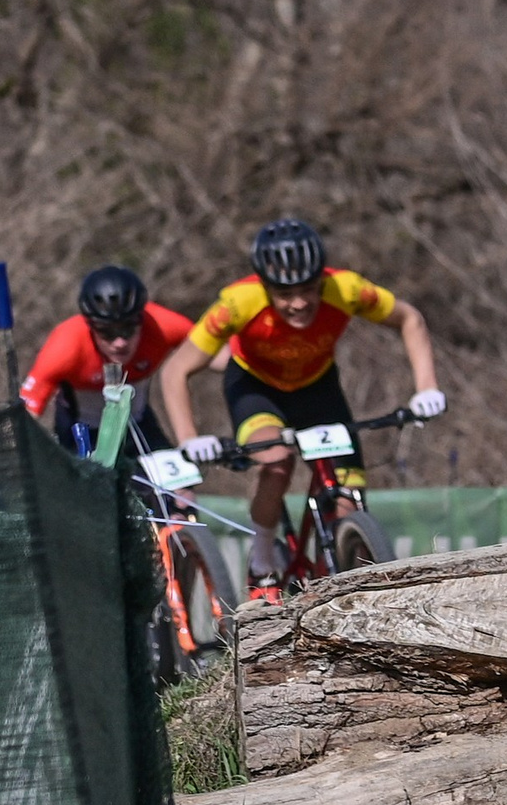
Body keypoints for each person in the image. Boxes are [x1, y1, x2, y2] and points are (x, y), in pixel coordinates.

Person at [157, 219, 444, 601]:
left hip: (318, 389)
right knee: (276, 462)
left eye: (309, 289)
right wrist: (189, 439)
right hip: (255, 388)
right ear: (264, 286)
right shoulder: (238, 303)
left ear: (322, 280)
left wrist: (426, 389)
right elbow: (176, 370)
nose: (299, 303)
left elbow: (410, 319)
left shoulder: (347, 289)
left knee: (348, 499)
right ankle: (261, 561)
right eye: (284, 293)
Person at [16, 265, 194, 454]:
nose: (119, 342)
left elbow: (219, 353)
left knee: (178, 484)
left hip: (139, 425)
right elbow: (25, 415)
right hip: (82, 434)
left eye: (128, 329)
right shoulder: (65, 347)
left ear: (141, 321)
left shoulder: (161, 325)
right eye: (107, 332)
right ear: (90, 326)